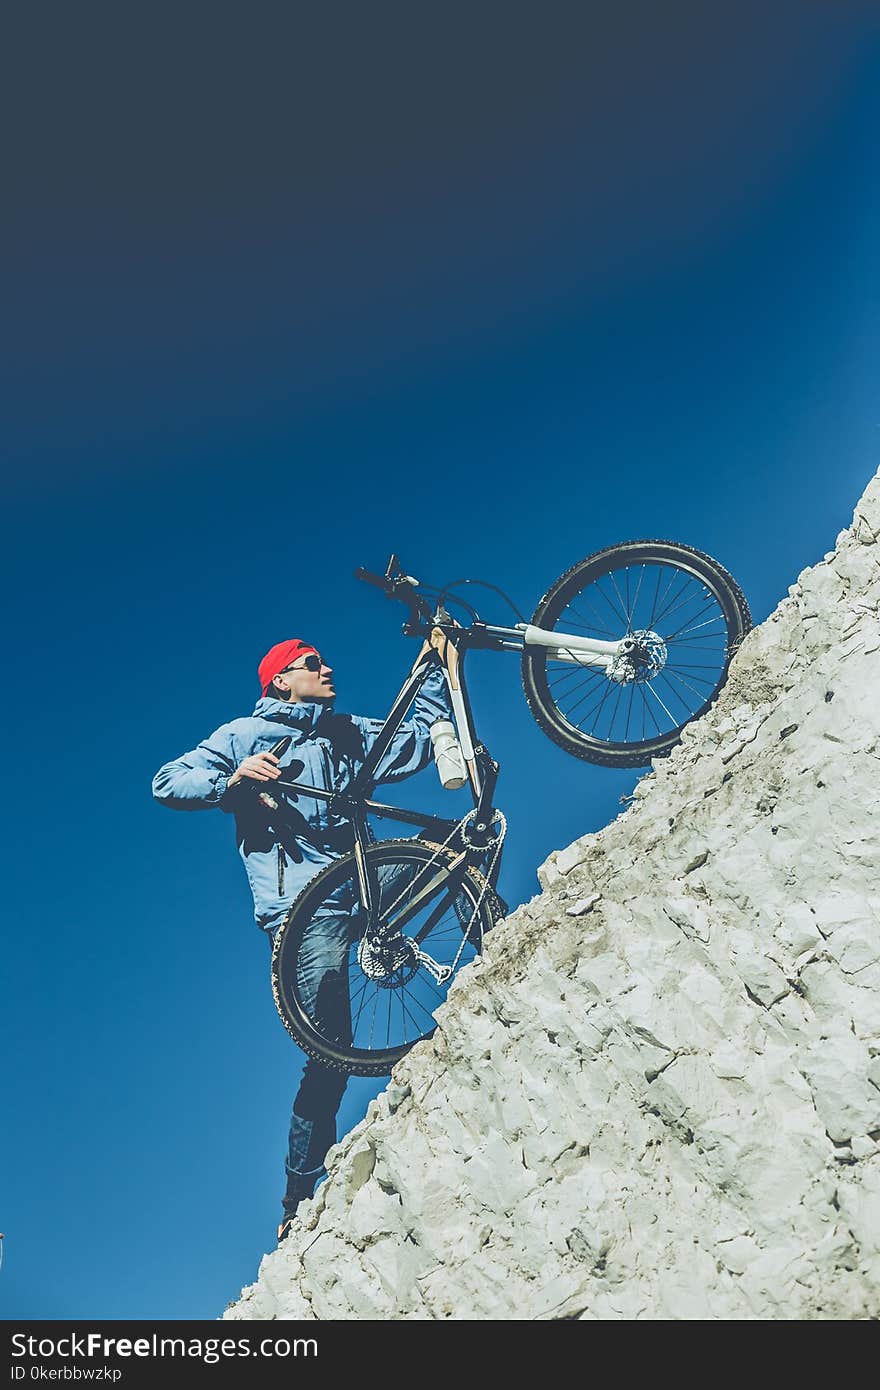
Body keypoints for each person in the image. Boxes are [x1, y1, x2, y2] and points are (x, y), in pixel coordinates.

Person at [152, 636, 453, 1242]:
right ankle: (298, 1192)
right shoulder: (244, 734)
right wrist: (231, 780)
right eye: (314, 664)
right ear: (281, 680)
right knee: (330, 1049)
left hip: (360, 879)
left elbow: (416, 738)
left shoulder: (346, 732)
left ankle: (487, 949)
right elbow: (168, 781)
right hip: (300, 910)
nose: (329, 668)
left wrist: (435, 666)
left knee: (455, 849)